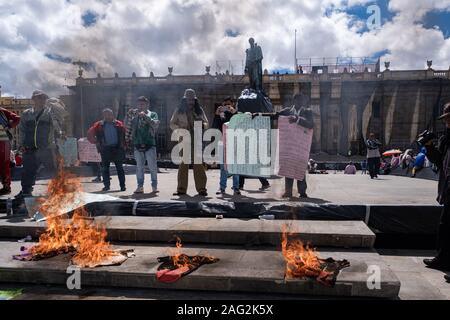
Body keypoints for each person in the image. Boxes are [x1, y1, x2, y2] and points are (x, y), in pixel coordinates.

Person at [16, 90, 64, 199]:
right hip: (29, 148)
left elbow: (57, 125)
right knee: (28, 171)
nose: (42, 100)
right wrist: (21, 144)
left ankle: (60, 190)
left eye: (43, 98)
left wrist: (60, 133)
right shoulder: (26, 114)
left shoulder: (50, 112)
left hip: (46, 148)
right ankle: (26, 191)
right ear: (33, 99)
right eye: (39, 97)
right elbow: (22, 130)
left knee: (54, 169)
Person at [423, 102, 450, 278]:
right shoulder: (447, 138)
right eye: (446, 119)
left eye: (449, 118)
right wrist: (428, 146)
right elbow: (439, 161)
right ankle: (442, 259)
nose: (447, 122)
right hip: (448, 184)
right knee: (445, 225)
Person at [170, 89, 208, 196]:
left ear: (195, 99)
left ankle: (202, 189)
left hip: (196, 138)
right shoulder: (179, 110)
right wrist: (180, 129)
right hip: (184, 138)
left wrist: (202, 125)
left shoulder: (199, 110)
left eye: (192, 99)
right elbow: (172, 124)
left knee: (198, 164)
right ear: (185, 99)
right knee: (184, 164)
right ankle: (181, 189)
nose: (190, 101)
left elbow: (206, 123)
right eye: (188, 99)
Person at [278, 93, 314, 198]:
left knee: (300, 168)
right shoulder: (287, 111)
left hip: (301, 146)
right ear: (294, 101)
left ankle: (302, 192)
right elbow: (275, 114)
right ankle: (288, 191)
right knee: (288, 167)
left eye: (302, 100)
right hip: (289, 145)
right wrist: (258, 115)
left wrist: (297, 120)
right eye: (298, 100)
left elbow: (311, 124)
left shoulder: (308, 112)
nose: (300, 102)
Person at [87, 108, 126, 192]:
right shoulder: (98, 125)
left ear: (112, 115)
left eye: (109, 114)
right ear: (103, 115)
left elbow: (124, 135)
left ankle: (123, 186)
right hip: (105, 149)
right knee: (105, 169)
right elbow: (90, 134)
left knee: (120, 168)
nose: (108, 116)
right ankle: (106, 186)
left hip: (117, 148)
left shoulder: (119, 124)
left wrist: (124, 146)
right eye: (106, 114)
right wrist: (96, 142)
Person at [127, 96, 159, 194]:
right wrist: (131, 115)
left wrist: (144, 116)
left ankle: (154, 186)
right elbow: (128, 126)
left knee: (152, 166)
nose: (140, 106)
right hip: (137, 143)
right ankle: (140, 186)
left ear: (147, 105)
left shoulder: (153, 114)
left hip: (150, 143)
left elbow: (155, 124)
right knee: (139, 167)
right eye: (139, 104)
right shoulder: (133, 115)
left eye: (143, 104)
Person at [212, 97, 240, 195]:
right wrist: (216, 115)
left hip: (234, 142)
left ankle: (236, 188)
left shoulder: (236, 114)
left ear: (233, 105)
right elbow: (214, 127)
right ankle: (222, 187)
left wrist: (235, 113)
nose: (227, 107)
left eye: (229, 105)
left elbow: (240, 126)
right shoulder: (221, 115)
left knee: (235, 166)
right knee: (223, 167)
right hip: (222, 142)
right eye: (225, 105)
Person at [0, 107, 20, 195]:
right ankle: (6, 187)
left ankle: (6, 187)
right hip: (4, 142)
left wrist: (9, 126)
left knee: (4, 164)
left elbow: (17, 118)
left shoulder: (2, 111)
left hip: (3, 142)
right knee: (4, 164)